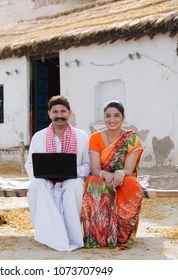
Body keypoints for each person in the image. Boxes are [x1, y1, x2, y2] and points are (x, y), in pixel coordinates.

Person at [25, 95, 90, 251]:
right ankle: (48, 234)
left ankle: (72, 236)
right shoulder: (38, 137)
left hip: (72, 179)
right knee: (36, 185)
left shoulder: (81, 136)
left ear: (70, 113)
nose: (59, 115)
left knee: (74, 185)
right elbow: (29, 165)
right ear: (49, 114)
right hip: (46, 180)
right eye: (55, 112)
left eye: (63, 111)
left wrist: (71, 171)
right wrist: (45, 173)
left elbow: (87, 165)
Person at [81, 100, 144, 249]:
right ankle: (98, 236)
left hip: (123, 177)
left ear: (123, 117)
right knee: (94, 183)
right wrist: (105, 175)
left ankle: (122, 236)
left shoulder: (132, 139)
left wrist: (120, 173)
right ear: (104, 118)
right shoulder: (95, 138)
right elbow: (95, 168)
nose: (112, 120)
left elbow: (129, 169)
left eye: (116, 115)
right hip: (101, 176)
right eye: (108, 116)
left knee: (132, 184)